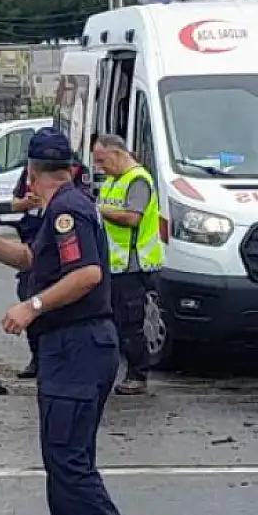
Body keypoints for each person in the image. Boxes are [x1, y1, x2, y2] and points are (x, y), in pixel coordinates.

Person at [0, 126, 133, 515]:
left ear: (33, 174)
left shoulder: (67, 212)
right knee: (61, 451)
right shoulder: (63, 206)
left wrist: (30, 306)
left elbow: (87, 275)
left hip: (78, 345)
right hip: (70, 346)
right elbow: (35, 261)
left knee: (67, 452)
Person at [7, 136, 90, 379]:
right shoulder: (58, 201)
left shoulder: (67, 207)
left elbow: (86, 274)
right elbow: (30, 257)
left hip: (73, 340)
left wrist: (33, 306)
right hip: (34, 235)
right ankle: (38, 356)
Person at [91, 134, 163, 395]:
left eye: (102, 160)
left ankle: (138, 375)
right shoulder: (113, 181)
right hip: (114, 263)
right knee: (116, 321)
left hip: (133, 265)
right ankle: (126, 371)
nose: (100, 167)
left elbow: (132, 218)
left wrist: (100, 211)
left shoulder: (138, 180)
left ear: (117, 153)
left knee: (131, 323)